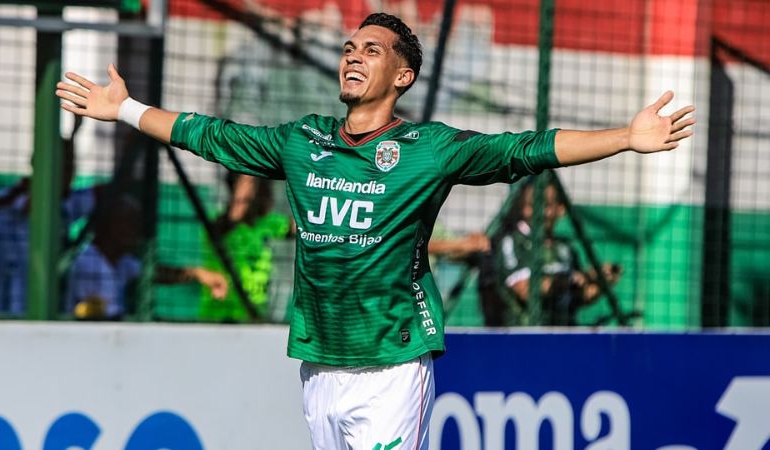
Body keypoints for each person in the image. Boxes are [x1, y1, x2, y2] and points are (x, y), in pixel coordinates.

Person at [56, 12, 694, 449]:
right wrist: (127, 110)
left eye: (373, 51)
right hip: (320, 361)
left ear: (402, 77)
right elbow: (213, 136)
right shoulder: (302, 141)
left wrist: (626, 139)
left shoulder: (429, 148)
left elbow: (525, 149)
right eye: (349, 48)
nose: (354, 57)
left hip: (392, 360)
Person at [0, 130, 98, 316]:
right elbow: (34, 202)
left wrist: (75, 132)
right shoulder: (13, 198)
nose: (68, 172)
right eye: (61, 165)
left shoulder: (67, 203)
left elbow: (100, 192)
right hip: (7, 307)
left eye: (70, 165)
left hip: (50, 306)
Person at [478, 179, 622, 326]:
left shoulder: (566, 249)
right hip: (524, 338)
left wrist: (600, 285)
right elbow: (526, 290)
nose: (531, 212)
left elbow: (578, 298)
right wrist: (574, 279)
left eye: (544, 205)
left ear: (561, 209)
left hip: (564, 337)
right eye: (528, 205)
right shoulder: (512, 242)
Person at [65, 194, 228, 320]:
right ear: (111, 225)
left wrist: (197, 273)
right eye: (130, 225)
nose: (135, 234)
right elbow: (101, 319)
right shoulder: (88, 263)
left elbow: (154, 273)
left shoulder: (121, 261)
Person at [199, 172, 294, 322]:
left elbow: (303, 228)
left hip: (252, 314)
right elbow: (237, 208)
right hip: (219, 314)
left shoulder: (267, 223)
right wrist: (249, 168)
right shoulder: (219, 224)